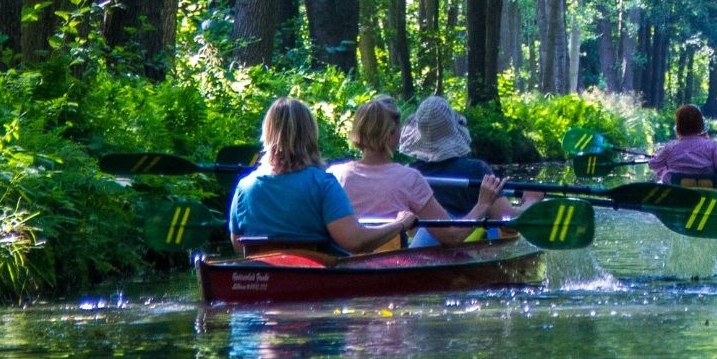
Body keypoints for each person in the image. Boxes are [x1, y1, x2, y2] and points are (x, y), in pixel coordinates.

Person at [227, 97, 415, 255]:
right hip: (319, 281)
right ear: (310, 135)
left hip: (264, 279)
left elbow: (238, 245)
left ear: (267, 135)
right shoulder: (322, 183)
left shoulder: (245, 187)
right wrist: (399, 224)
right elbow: (355, 241)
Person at [329, 95, 507, 247]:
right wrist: (482, 205)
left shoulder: (334, 175)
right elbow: (451, 236)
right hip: (394, 268)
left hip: (348, 262)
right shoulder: (409, 178)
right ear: (393, 134)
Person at [400, 94, 539, 218]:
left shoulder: (408, 174)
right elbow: (506, 218)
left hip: (422, 241)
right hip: (466, 241)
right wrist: (531, 201)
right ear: (454, 129)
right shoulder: (476, 170)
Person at [648, 104, 717, 190]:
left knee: (665, 174)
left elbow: (653, 165)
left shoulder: (670, 148)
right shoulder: (712, 146)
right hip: (710, 194)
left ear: (678, 126)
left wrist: (657, 160)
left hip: (679, 194)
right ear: (701, 125)